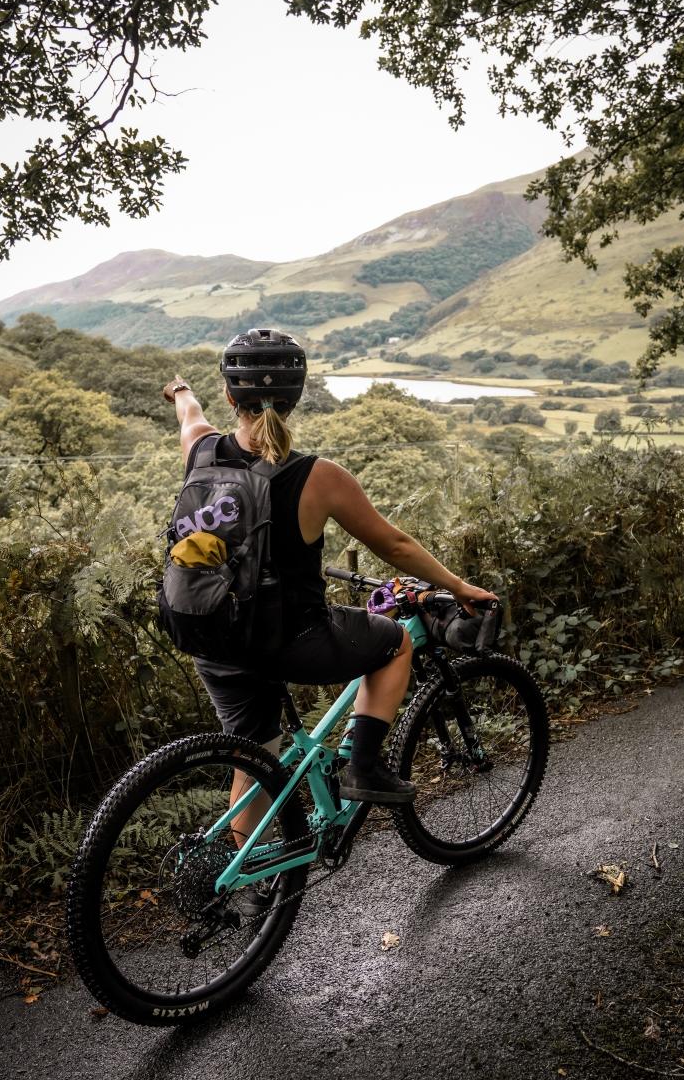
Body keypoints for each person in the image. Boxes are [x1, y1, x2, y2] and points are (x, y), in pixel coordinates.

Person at [163, 328, 496, 844]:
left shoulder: (202, 452)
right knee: (396, 642)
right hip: (288, 639)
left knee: (254, 759)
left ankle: (249, 889)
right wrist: (459, 585)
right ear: (295, 399)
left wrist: (181, 390)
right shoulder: (319, 476)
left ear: (231, 397)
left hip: (212, 634)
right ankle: (363, 766)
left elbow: (190, 414)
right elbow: (396, 546)